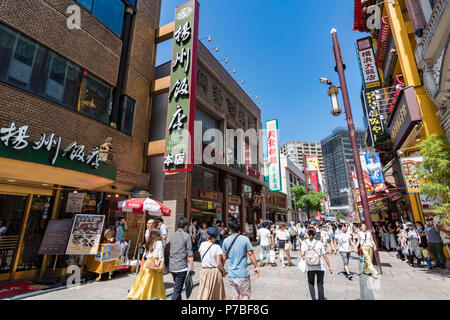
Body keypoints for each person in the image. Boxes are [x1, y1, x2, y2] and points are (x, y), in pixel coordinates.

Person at [222, 217, 259, 300]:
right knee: (245, 296)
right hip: (243, 274)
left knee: (234, 296)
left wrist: (222, 269)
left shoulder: (226, 240)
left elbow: (223, 256)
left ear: (230, 229)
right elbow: (251, 254)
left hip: (231, 274)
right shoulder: (245, 239)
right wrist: (256, 266)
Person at [127, 229, 165, 300]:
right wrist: (162, 266)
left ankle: (140, 295)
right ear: (157, 236)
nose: (161, 236)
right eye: (160, 234)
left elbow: (146, 255)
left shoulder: (148, 243)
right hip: (155, 264)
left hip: (147, 264)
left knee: (144, 283)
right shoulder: (159, 243)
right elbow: (161, 257)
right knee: (153, 285)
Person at [301, 228, 334, 300]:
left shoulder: (304, 243)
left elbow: (302, 254)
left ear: (307, 234)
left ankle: (313, 298)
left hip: (309, 266)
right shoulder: (319, 243)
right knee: (320, 284)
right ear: (315, 235)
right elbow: (325, 256)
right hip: (320, 266)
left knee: (311, 283)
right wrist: (329, 267)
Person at [169, 218, 195, 300]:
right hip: (181, 267)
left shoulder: (172, 236)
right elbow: (190, 253)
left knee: (178, 287)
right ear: (186, 226)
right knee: (177, 290)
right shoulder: (187, 236)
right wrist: (192, 267)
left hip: (172, 267)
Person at [198, 226, 226, 300]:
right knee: (216, 295)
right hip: (215, 272)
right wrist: (223, 271)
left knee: (204, 293)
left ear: (207, 235)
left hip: (204, 271)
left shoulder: (202, 245)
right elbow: (219, 263)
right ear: (216, 237)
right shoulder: (217, 247)